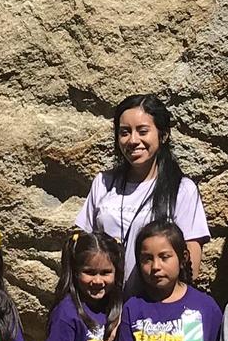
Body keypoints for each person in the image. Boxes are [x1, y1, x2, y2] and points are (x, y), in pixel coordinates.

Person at [74, 94, 210, 285]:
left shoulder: (182, 189)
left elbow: (191, 257)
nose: (133, 140)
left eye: (143, 131)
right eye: (125, 132)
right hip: (104, 303)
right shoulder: (103, 183)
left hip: (153, 309)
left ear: (163, 135)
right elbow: (84, 245)